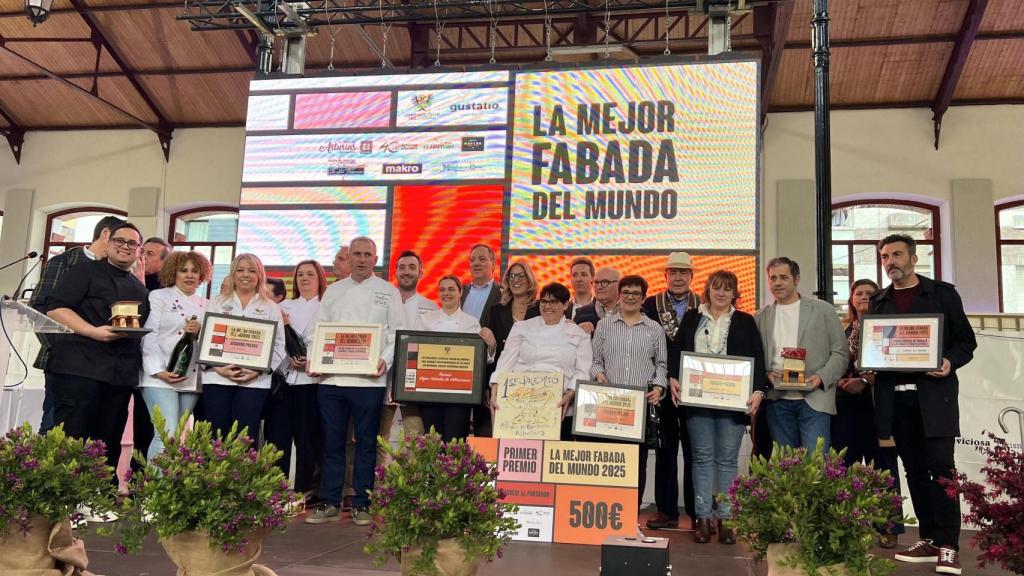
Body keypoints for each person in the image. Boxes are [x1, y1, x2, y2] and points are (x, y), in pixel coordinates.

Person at [870, 234, 975, 575]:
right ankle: (928, 538)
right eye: (885, 256)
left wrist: (947, 361)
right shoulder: (879, 301)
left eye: (897, 254)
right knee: (913, 469)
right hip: (895, 400)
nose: (890, 262)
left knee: (942, 470)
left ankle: (949, 545)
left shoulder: (942, 294)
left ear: (914, 258)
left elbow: (965, 342)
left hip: (934, 398)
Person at [307, 237, 406, 526]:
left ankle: (362, 503)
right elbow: (317, 331)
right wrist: (315, 359)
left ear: (376, 259)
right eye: (356, 254)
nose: (362, 259)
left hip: (369, 381)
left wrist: (384, 360)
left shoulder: (388, 292)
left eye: (367, 254)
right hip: (332, 380)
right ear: (348, 258)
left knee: (366, 444)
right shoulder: (334, 291)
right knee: (333, 443)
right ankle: (329, 502)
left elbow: (396, 334)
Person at [38, 222, 149, 474]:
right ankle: (64, 502)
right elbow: (55, 309)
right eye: (120, 241)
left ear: (138, 250)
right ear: (108, 243)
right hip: (79, 368)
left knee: (108, 440)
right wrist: (91, 331)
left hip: (119, 376)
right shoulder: (83, 272)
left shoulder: (139, 287)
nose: (125, 247)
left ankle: (99, 501)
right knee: (72, 437)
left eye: (132, 243)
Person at [667, 270, 767, 544]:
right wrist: (673, 377)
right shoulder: (691, 317)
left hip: (733, 403)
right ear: (707, 290)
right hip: (697, 401)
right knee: (701, 459)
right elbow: (676, 351)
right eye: (716, 288)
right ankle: (702, 518)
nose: (721, 293)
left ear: (735, 293)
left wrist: (758, 391)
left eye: (727, 289)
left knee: (726, 460)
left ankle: (725, 519)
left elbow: (757, 356)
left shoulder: (745, 321)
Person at [31, 214, 125, 433]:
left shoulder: (119, 272)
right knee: (56, 426)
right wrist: (59, 346)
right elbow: (40, 308)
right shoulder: (65, 263)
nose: (124, 248)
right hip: (65, 361)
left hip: (104, 365)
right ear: (105, 234)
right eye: (119, 240)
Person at [831, 278, 904, 550]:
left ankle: (889, 527)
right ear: (851, 299)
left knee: (884, 469)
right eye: (858, 293)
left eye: (869, 293)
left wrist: (867, 381)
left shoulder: (890, 330)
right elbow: (835, 362)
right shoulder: (843, 331)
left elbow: (897, 363)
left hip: (879, 407)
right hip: (846, 408)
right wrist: (838, 381)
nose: (863, 297)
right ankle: (845, 524)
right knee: (843, 467)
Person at [754, 257, 847, 451]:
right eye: (772, 278)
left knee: (816, 466)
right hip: (777, 399)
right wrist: (766, 374)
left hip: (815, 399)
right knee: (785, 468)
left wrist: (821, 377)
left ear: (796, 279)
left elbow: (840, 353)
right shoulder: (760, 317)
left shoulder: (823, 310)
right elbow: (755, 356)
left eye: (783, 277)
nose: (777, 282)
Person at [590, 275, 667, 506]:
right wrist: (599, 374)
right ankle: (608, 509)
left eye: (636, 294)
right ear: (619, 295)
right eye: (626, 293)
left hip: (638, 407)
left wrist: (659, 387)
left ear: (643, 298)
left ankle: (631, 513)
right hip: (608, 406)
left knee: (636, 462)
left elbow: (661, 365)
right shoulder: (604, 326)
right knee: (610, 461)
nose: (630, 297)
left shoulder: (654, 329)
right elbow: (595, 361)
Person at [643, 251, 701, 531]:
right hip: (662, 385)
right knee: (665, 449)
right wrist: (662, 379)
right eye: (673, 273)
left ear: (692, 276)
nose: (678, 277)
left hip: (698, 387)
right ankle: (666, 510)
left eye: (683, 273)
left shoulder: (703, 304)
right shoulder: (650, 305)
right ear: (665, 276)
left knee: (695, 450)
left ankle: (697, 510)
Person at [490, 282, 592, 440]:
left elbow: (582, 371)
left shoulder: (579, 334)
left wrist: (570, 394)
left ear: (565, 305)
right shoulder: (522, 327)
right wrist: (495, 387)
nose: (547, 306)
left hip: (558, 407)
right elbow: (506, 360)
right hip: (520, 404)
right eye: (544, 301)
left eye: (554, 302)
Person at [201, 253, 287, 440]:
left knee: (245, 438)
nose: (245, 275)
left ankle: (241, 472)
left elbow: (280, 345)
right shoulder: (217, 302)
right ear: (233, 274)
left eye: (251, 270)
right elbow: (204, 337)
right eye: (240, 270)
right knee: (216, 436)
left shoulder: (271, 307)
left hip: (254, 382)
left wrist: (258, 371)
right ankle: (215, 472)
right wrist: (217, 368)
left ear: (260, 275)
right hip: (217, 378)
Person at [139, 251, 211, 459]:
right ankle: (152, 490)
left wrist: (200, 331)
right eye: (184, 270)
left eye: (194, 271)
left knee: (177, 435)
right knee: (165, 433)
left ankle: (166, 487)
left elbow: (212, 344)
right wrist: (158, 370)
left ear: (201, 275)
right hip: (158, 376)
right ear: (174, 272)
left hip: (190, 376)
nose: (189, 275)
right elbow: (149, 334)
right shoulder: (159, 296)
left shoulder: (207, 305)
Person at [280, 260, 329, 503]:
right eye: (300, 274)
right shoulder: (284, 307)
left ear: (320, 277)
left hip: (316, 381)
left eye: (310, 274)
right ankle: (281, 485)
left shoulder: (328, 305)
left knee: (311, 437)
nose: (305, 278)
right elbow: (276, 342)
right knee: (287, 435)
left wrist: (312, 361)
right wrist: (290, 360)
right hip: (289, 380)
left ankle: (308, 487)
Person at [418, 275, 483, 441]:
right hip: (431, 390)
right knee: (433, 443)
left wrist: (490, 346)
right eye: (442, 289)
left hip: (460, 393)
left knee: (456, 442)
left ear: (460, 292)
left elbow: (481, 359)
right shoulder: (425, 320)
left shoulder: (472, 322)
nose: (446, 293)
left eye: (451, 289)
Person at [461, 244, 502, 328]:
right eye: (472, 260)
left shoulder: (503, 292)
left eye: (482, 259)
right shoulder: (460, 291)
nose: (476, 263)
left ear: (493, 264)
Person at [575, 267, 621, 334]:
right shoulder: (582, 314)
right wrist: (576, 330)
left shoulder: (636, 312)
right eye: (596, 282)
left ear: (619, 285)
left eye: (605, 282)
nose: (599, 287)